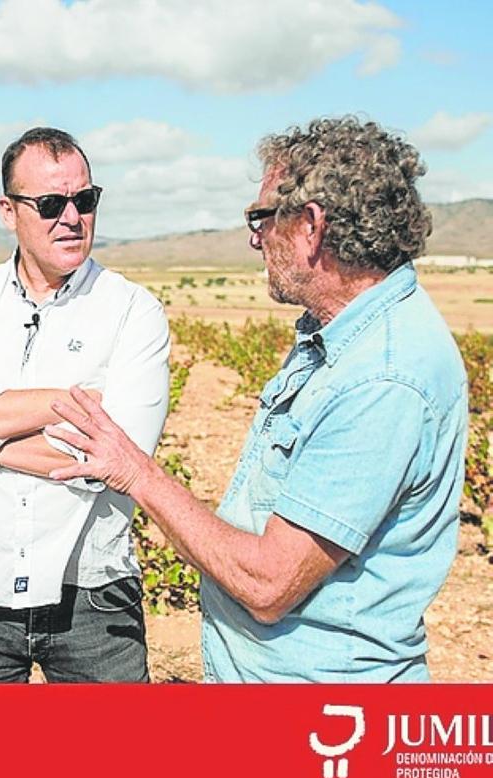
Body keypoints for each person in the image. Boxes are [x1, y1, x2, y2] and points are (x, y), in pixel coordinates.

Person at [46, 116, 467, 682]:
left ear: (311, 226)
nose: (253, 238)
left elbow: (268, 584)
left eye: (261, 218)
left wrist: (137, 473)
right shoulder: (341, 335)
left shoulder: (382, 378)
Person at [0, 127, 170, 682]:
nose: (71, 217)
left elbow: (115, 459)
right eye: (51, 203)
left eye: (85, 200)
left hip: (92, 596)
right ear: (10, 211)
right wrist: (64, 402)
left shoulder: (133, 311)